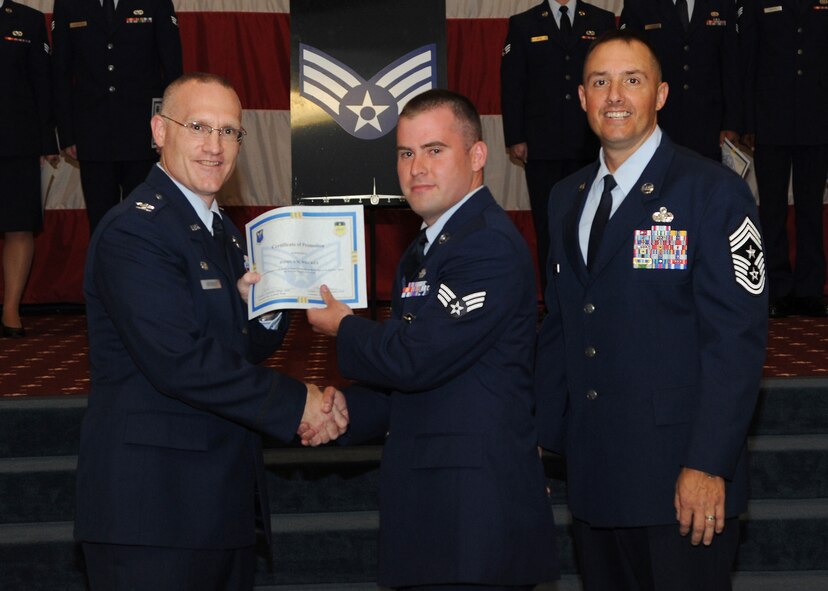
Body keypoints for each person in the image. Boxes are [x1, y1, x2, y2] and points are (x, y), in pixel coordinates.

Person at [75, 72, 348, 591]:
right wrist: (299, 404)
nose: (215, 146)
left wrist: (263, 309)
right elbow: (180, 360)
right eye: (198, 127)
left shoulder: (221, 230)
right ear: (160, 130)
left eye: (229, 131)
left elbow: (234, 347)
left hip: (216, 505)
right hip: (152, 514)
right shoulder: (135, 230)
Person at [534, 30, 767, 590]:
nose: (615, 95)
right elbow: (562, 326)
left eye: (632, 80)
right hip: (595, 481)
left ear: (660, 95)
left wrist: (709, 463)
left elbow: (735, 342)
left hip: (680, 482)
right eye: (600, 82)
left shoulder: (712, 192)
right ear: (582, 98)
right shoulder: (565, 198)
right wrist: (539, 442)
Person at [307, 89, 558, 590]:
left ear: (477, 155)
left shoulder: (486, 245)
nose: (416, 167)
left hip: (474, 517)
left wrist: (344, 327)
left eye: (434, 150)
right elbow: (413, 385)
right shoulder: (426, 249)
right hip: (433, 511)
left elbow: (415, 358)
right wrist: (345, 411)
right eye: (406, 152)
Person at [500, 0, 615, 293]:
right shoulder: (523, 24)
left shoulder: (601, 20)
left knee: (594, 222)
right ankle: (554, 298)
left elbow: (609, 79)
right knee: (549, 226)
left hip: (589, 142)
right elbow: (513, 83)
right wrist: (515, 137)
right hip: (542, 144)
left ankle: (592, 295)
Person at [51, 0, 183, 234]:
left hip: (143, 133)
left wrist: (167, 130)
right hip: (92, 133)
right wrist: (67, 134)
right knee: (101, 224)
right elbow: (60, 73)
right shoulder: (68, 4)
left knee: (145, 222)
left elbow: (173, 70)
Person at [740, 0, 828, 317]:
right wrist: (747, 123)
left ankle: (809, 290)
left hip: (817, 120)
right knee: (772, 212)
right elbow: (747, 62)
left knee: (811, 210)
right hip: (769, 122)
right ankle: (776, 289)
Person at [620, 0, 741, 161]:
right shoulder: (639, 4)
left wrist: (731, 122)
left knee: (705, 176)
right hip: (657, 122)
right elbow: (629, 66)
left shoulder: (722, 4)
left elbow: (731, 66)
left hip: (708, 124)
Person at [1, 0, 59, 338]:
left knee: (18, 227)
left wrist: (46, 141)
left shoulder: (28, 20)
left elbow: (42, 82)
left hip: (16, 142)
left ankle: (11, 309)